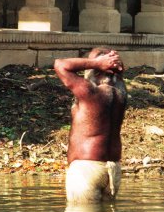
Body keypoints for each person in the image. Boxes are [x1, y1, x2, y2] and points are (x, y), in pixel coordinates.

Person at [54, 48, 127, 204]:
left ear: (96, 69)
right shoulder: (120, 91)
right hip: (113, 169)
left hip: (86, 169)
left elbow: (60, 65)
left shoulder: (90, 92)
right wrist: (113, 62)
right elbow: (118, 70)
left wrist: (96, 63)